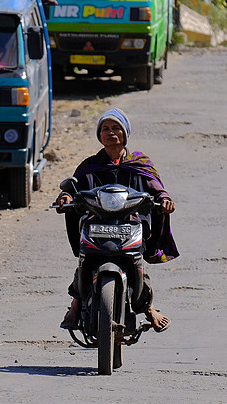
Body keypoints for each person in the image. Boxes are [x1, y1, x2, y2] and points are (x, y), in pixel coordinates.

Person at [54, 108, 178, 331]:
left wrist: (164, 198)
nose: (111, 133)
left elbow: (156, 187)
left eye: (116, 128)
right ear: (99, 135)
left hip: (130, 223)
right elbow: (74, 187)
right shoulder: (89, 165)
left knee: (135, 259)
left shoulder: (140, 163)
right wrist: (66, 196)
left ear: (125, 133)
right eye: (105, 129)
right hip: (96, 223)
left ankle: (148, 308)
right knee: (86, 259)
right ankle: (75, 304)